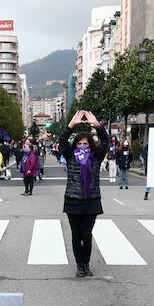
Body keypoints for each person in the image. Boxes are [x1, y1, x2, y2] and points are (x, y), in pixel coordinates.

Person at [57, 109, 109, 278]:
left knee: (86, 235)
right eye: (79, 144)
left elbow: (105, 141)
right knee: (75, 235)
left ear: (90, 144)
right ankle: (79, 265)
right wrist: (71, 125)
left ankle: (86, 264)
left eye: (85, 144)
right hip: (73, 201)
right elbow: (62, 141)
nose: (82, 147)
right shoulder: (70, 156)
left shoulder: (96, 157)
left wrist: (96, 124)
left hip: (91, 201)